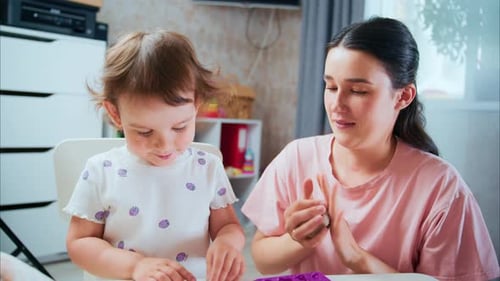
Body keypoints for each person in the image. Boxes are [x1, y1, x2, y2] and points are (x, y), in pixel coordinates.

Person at [242, 17, 500, 280]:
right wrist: (299, 241)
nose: (337, 104)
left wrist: (357, 258)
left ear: (403, 96)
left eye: (358, 91)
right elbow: (263, 260)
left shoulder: (441, 188)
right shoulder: (297, 158)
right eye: (331, 87)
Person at [63, 30, 245, 281]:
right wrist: (135, 267)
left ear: (196, 104)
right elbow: (80, 243)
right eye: (145, 132)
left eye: (180, 127)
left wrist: (227, 244)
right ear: (115, 114)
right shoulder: (101, 171)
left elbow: (228, 226)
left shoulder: (208, 168)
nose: (164, 145)